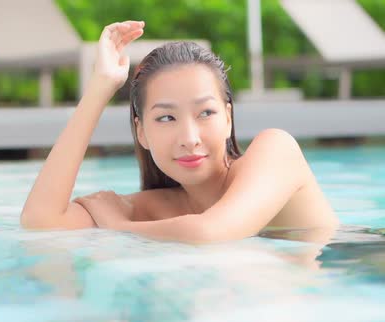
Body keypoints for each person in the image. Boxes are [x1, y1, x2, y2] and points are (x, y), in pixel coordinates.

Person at [20, 20, 339, 244]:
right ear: (140, 132)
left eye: (205, 113)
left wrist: (119, 226)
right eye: (166, 118)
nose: (189, 137)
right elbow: (41, 221)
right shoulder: (150, 210)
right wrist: (100, 88)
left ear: (228, 118)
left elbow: (212, 233)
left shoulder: (276, 151)